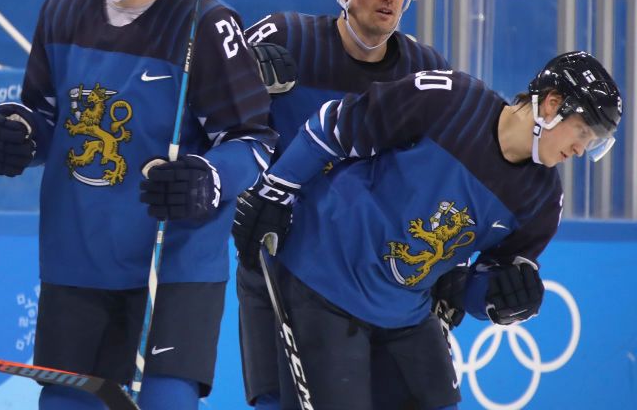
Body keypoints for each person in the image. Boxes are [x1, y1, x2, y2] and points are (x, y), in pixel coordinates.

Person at [0, 0, 276, 410]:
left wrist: (209, 177)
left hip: (173, 268)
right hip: (75, 260)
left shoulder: (207, 24)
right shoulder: (62, 9)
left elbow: (252, 141)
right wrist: (18, 132)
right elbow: (45, 115)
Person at [232, 50, 621, 410]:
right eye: (583, 132)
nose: (582, 149)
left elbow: (469, 288)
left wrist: (501, 298)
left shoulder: (543, 200)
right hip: (323, 278)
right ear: (552, 104)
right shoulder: (450, 99)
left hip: (406, 312)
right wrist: (276, 190)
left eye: (593, 141)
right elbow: (334, 126)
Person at [235, 0, 449, 410]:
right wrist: (241, 75)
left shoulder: (424, 69)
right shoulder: (283, 38)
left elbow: (441, 173)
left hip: (374, 276)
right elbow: (221, 120)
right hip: (281, 258)